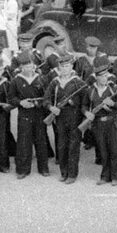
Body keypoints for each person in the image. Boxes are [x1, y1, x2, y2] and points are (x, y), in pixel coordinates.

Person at [44, 52, 86, 184]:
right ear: (59, 68)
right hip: (60, 117)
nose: (65, 69)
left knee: (73, 146)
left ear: (71, 67)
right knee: (61, 145)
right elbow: (46, 99)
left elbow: (86, 101)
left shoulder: (78, 82)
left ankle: (72, 174)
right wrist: (51, 108)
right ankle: (64, 172)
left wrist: (75, 103)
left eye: (67, 66)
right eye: (62, 67)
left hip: (74, 117)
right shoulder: (55, 82)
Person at [9, 50, 50, 179]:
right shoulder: (16, 81)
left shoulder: (41, 79)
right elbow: (11, 99)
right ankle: (22, 170)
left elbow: (47, 97)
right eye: (26, 66)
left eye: (32, 66)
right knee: (24, 142)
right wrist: (21, 102)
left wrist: (38, 104)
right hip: (24, 114)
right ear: (21, 67)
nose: (30, 68)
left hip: (39, 114)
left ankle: (43, 168)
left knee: (41, 140)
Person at [84, 56, 117, 186]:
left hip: (111, 122)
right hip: (98, 123)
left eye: (106, 75)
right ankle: (105, 176)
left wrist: (112, 103)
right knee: (103, 150)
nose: (104, 78)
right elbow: (84, 105)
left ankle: (116, 176)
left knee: (114, 150)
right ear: (96, 77)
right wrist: (87, 113)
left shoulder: (114, 88)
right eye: (101, 76)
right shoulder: (91, 90)